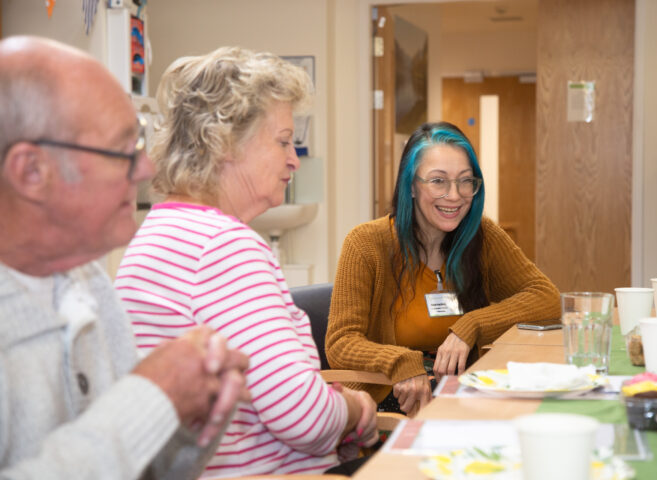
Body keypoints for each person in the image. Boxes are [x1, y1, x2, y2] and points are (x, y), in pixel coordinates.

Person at [114, 46, 378, 477]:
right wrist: (355, 406)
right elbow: (303, 418)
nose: (294, 158)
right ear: (225, 143)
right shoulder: (222, 245)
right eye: (282, 141)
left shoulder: (155, 234)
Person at [0, 36, 251, 479]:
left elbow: (137, 467)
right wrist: (153, 397)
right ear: (31, 172)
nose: (147, 169)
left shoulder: (88, 283)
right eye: (122, 151)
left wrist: (189, 418)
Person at [326, 121, 561, 416]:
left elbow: (546, 297)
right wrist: (400, 362)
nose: (455, 195)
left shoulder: (482, 236)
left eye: (465, 181)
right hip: (393, 400)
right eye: (438, 181)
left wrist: (471, 326)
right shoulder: (365, 244)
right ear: (411, 186)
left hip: (467, 393)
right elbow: (340, 342)